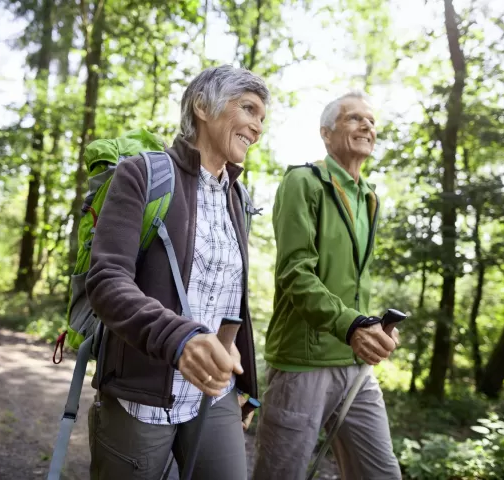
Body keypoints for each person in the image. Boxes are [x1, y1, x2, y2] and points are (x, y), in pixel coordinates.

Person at [84, 65, 269, 480]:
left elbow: (231, 298)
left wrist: (247, 387)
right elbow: (107, 281)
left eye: (262, 118)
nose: (257, 127)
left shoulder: (237, 196)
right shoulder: (143, 174)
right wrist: (182, 339)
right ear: (203, 106)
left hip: (214, 391)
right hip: (142, 394)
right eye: (249, 109)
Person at [252, 90, 402, 480]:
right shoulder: (304, 182)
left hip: (355, 364)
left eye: (371, 121)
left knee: (382, 474)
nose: (366, 125)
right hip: (302, 363)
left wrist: (372, 328)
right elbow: (294, 273)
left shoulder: (369, 197)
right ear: (326, 132)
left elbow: (353, 282)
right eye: (354, 118)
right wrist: (351, 325)